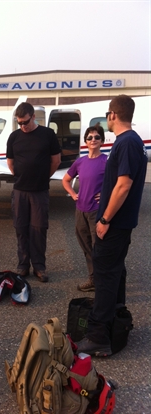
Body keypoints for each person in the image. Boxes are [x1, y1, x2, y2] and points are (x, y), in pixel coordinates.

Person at [76, 95, 148, 356]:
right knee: (115, 272)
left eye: (107, 114)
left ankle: (98, 338)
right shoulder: (131, 142)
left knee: (105, 274)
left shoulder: (127, 142)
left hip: (115, 224)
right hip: (121, 224)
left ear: (113, 116)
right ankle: (116, 320)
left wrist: (105, 219)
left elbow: (124, 184)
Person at [6, 102, 61, 282]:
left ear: (33, 116)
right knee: (21, 228)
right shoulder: (14, 137)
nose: (23, 126)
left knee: (38, 230)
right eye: (19, 123)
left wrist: (43, 177)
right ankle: (23, 266)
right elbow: (10, 162)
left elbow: (56, 161)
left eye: (26, 122)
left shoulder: (47, 134)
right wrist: (22, 176)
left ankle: (39, 267)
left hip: (39, 191)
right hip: (20, 191)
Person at [62, 125, 107, 292]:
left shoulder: (106, 161)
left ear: (102, 141)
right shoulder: (80, 162)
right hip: (80, 210)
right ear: (85, 142)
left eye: (96, 137)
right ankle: (93, 279)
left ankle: (103, 283)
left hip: (96, 212)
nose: (93, 140)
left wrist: (106, 195)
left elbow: (119, 184)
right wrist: (73, 194)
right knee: (86, 247)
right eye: (90, 138)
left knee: (98, 248)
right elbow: (65, 180)